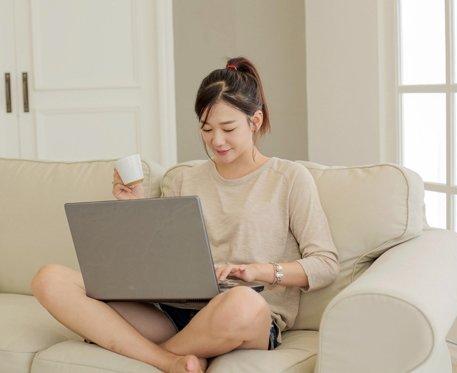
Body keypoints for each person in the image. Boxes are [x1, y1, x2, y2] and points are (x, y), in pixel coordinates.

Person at [30, 56, 339, 373]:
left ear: (255, 121)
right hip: (171, 313)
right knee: (49, 279)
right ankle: (171, 361)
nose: (216, 140)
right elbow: (156, 258)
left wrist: (259, 272)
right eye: (206, 129)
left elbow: (325, 264)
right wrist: (131, 211)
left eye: (228, 128)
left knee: (243, 301)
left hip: (243, 316)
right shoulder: (182, 179)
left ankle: (144, 352)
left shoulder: (289, 178)